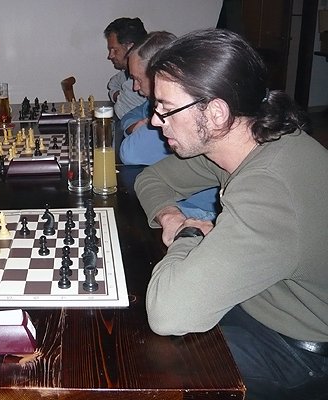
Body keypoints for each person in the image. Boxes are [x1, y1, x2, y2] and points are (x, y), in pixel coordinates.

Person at [135, 28, 328, 399]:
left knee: (148, 363)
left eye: (166, 108)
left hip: (299, 349)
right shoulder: (245, 141)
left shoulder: (270, 187)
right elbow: (152, 179)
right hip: (260, 304)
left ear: (216, 112)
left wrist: (188, 234)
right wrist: (171, 216)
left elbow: (169, 313)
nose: (156, 121)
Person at [119, 31, 217, 220]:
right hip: (179, 199)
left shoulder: (186, 114)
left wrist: (146, 124)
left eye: (138, 79)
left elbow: (130, 152)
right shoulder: (158, 104)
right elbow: (129, 116)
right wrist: (137, 124)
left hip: (202, 210)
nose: (135, 87)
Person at [104, 17, 148, 120]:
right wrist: (119, 95)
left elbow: (122, 111)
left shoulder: (144, 77)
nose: (110, 56)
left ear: (131, 48)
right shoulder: (127, 73)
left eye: (115, 50)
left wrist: (120, 96)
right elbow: (113, 83)